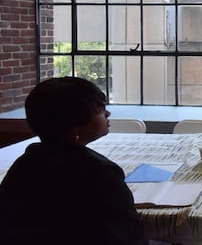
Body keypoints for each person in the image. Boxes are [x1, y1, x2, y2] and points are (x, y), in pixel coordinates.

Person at [0, 77, 147, 245]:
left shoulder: (24, 164)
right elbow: (129, 237)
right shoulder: (99, 173)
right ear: (75, 127)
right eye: (99, 110)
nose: (107, 113)